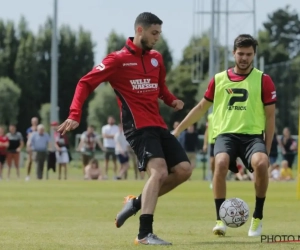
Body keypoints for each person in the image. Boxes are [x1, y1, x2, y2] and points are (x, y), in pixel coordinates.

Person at [57, 12, 192, 245]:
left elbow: (160, 88)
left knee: (184, 170)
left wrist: (172, 101)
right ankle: (144, 233)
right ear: (140, 30)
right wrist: (75, 114)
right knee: (158, 172)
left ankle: (135, 204)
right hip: (137, 127)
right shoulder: (117, 60)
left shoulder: (156, 58)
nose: (157, 38)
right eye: (154, 33)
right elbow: (85, 82)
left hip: (158, 124)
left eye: (159, 33)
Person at [172, 34, 276, 237]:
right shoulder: (219, 79)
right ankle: (220, 219)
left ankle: (257, 217)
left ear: (254, 54)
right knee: (219, 164)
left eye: (248, 54)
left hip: (253, 136)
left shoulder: (264, 80)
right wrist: (178, 130)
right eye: (240, 54)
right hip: (226, 135)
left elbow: (271, 118)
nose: (244, 58)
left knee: (261, 163)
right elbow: (201, 108)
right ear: (233, 53)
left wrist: (268, 148)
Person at [203, 113, 215, 188]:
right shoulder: (210, 116)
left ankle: (218, 180)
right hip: (212, 142)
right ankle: (214, 179)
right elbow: (207, 131)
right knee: (212, 162)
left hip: (221, 141)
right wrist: (205, 144)